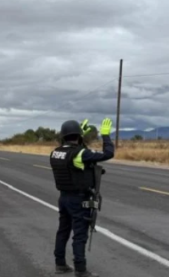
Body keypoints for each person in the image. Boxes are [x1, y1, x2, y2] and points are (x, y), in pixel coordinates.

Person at [50, 118, 114, 277]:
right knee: (80, 235)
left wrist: (80, 136)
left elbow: (78, 153)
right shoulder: (79, 153)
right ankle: (80, 269)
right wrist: (105, 136)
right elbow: (108, 153)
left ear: (63, 136)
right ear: (78, 137)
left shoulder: (56, 152)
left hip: (63, 198)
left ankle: (60, 264)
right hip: (78, 200)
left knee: (63, 231)